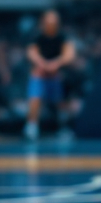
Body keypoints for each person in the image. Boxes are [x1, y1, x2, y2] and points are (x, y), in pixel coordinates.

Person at [25, 9, 75, 141]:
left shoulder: (63, 36)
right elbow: (31, 53)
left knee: (61, 103)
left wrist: (56, 64)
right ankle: (31, 128)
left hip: (55, 76)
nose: (51, 24)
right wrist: (42, 64)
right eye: (48, 21)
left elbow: (69, 54)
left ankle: (63, 127)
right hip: (39, 75)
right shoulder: (36, 35)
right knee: (34, 100)